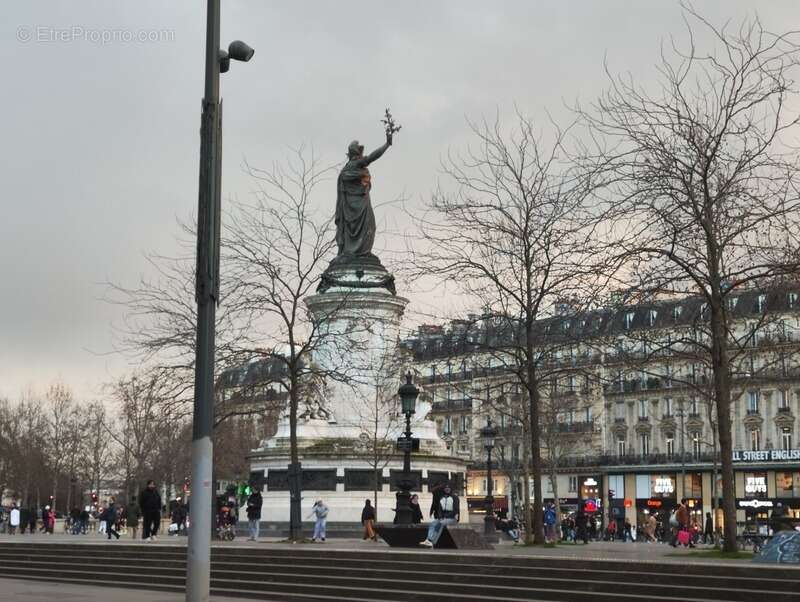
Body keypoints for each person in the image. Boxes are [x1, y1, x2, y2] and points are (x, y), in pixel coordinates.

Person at [335, 130, 393, 259]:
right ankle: (362, 252)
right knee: (369, 226)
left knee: (358, 227)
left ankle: (350, 251)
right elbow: (373, 156)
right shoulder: (356, 164)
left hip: (349, 206)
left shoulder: (347, 168)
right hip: (360, 204)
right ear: (357, 154)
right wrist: (387, 144)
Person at [420, 483, 460, 548]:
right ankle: (429, 540)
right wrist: (440, 517)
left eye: (448, 488)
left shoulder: (454, 497)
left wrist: (444, 517)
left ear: (450, 489)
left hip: (452, 518)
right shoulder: (442, 498)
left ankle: (431, 541)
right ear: (444, 489)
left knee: (440, 523)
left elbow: (455, 510)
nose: (447, 489)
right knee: (433, 523)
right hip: (443, 518)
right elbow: (440, 509)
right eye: (446, 488)